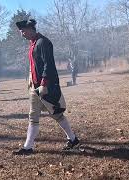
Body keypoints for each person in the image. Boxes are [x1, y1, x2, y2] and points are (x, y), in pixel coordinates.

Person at [13, 19, 79, 155]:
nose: (22, 34)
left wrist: (43, 84)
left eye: (23, 31)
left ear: (31, 29)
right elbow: (35, 66)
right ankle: (28, 147)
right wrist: (31, 80)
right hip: (34, 86)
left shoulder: (43, 42)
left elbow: (48, 65)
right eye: (21, 31)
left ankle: (72, 139)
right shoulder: (33, 44)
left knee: (57, 114)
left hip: (45, 86)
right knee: (33, 115)